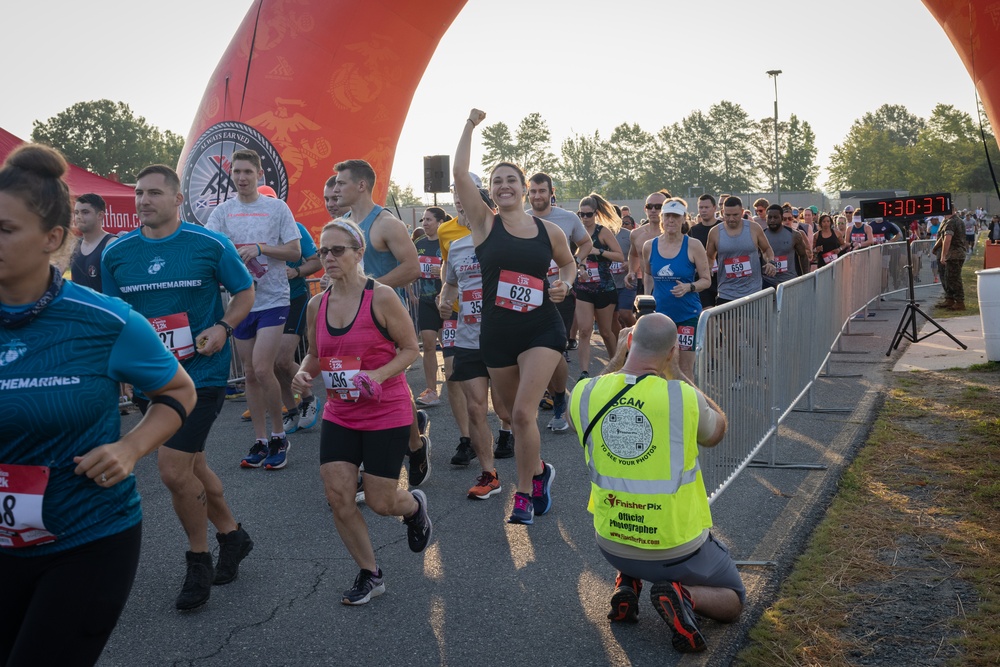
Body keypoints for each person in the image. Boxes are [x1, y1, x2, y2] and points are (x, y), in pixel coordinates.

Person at [0, 144, 196, 665]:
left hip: (86, 541)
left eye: (5, 229)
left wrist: (131, 448)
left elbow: (179, 391)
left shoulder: (106, 320)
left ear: (53, 239)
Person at [102, 163, 256, 610]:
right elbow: (118, 317)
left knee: (172, 470)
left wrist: (224, 327)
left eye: (153, 193)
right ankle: (233, 536)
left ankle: (198, 558)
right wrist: (123, 368)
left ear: (177, 200)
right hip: (154, 378)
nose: (143, 200)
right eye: (138, 193)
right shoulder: (118, 253)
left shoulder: (208, 244)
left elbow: (244, 292)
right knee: (193, 467)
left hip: (201, 377)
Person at [568, 314, 741, 653]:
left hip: (612, 542)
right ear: (672, 351)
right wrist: (679, 373)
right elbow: (718, 430)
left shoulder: (584, 393)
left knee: (632, 551)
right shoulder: (681, 397)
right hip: (675, 548)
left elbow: (593, 398)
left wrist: (616, 361)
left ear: (628, 342)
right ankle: (681, 595)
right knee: (734, 601)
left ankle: (628, 584)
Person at [291, 219, 432, 605]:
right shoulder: (316, 303)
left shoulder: (382, 297)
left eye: (338, 250)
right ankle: (371, 573)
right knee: (338, 495)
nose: (329, 258)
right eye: (323, 251)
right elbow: (316, 356)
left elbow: (410, 348)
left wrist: (378, 374)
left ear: (358, 253)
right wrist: (303, 374)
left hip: (385, 409)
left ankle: (415, 506)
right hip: (340, 412)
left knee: (381, 502)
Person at [455, 109, 576, 525]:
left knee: (525, 413)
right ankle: (541, 471)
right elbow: (457, 173)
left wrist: (565, 283)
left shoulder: (549, 232)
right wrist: (470, 126)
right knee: (507, 414)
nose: (504, 185)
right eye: (496, 181)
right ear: (488, 192)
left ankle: (522, 494)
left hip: (542, 327)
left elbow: (568, 264)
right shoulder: (484, 225)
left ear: (525, 189)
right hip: (498, 332)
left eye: (511, 180)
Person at [331, 159, 430, 487]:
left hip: (387, 320)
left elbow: (412, 267)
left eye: (341, 183)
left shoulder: (386, 223)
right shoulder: (343, 226)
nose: (335, 188)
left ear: (361, 185)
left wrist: (370, 292)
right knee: (353, 385)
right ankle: (360, 466)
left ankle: (415, 446)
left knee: (391, 388)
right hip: (350, 321)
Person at [206, 149, 302, 470]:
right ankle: (261, 440)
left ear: (260, 175)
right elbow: (211, 247)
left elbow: (294, 251)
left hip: (273, 299)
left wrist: (260, 248)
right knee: (249, 373)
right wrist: (229, 253)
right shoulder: (223, 212)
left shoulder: (276, 208)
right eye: (237, 172)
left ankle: (279, 434)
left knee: (263, 369)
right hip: (240, 301)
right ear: (231, 175)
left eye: (248, 172)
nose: (242, 178)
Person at [437, 185, 512, 496]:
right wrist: (445, 299)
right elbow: (451, 284)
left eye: (467, 207)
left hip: (505, 340)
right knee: (476, 408)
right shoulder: (457, 247)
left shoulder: (509, 243)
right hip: (469, 339)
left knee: (511, 412)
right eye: (460, 208)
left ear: (486, 208)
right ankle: (489, 474)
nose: (462, 212)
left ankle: (535, 470)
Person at [526, 172, 592, 432]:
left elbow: (585, 243)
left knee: (554, 348)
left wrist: (572, 265)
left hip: (559, 291)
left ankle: (559, 403)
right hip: (528, 292)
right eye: (533, 191)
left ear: (551, 192)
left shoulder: (568, 218)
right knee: (531, 348)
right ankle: (543, 395)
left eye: (542, 191)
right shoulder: (519, 218)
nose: (537, 196)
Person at [642, 198, 710, 378]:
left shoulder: (693, 245)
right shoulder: (649, 246)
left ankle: (686, 405)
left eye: (676, 216)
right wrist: (645, 300)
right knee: (657, 367)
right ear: (662, 218)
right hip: (660, 316)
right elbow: (648, 275)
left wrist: (689, 287)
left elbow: (706, 280)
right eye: (668, 216)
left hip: (687, 315)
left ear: (683, 219)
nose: (671, 220)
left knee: (684, 369)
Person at [573, 193, 624, 381]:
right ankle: (584, 373)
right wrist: (580, 266)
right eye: (581, 214)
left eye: (588, 214)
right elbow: (572, 257)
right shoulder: (575, 232)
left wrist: (599, 251)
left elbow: (620, 256)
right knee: (584, 330)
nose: (585, 218)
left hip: (604, 288)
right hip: (584, 288)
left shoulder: (602, 232)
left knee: (605, 332)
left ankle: (616, 366)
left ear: (596, 213)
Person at [705, 196, 776, 304]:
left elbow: (766, 249)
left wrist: (770, 262)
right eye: (727, 215)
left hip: (753, 291)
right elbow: (710, 256)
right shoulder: (715, 232)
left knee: (751, 322)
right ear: (722, 212)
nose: (731, 219)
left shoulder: (754, 228)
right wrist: (708, 269)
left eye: (735, 215)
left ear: (742, 212)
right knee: (726, 322)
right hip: (726, 292)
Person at [413, 207, 447, 407]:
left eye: (429, 219)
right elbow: (411, 266)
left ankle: (458, 384)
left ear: (440, 222)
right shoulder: (419, 243)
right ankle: (431, 390)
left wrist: (441, 269)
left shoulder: (447, 241)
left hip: (446, 302)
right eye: (423, 219)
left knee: (449, 347)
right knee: (427, 345)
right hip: (426, 301)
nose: (425, 223)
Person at [69, 193, 113, 290]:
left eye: (85, 212)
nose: (79, 217)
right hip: (78, 304)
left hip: (103, 305)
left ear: (100, 215)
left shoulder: (111, 244)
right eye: (76, 212)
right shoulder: (74, 246)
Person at [687, 194, 721, 308]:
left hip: (722, 278)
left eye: (706, 207)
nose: (703, 210)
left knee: (725, 318)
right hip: (702, 279)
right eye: (701, 207)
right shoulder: (693, 230)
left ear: (714, 208)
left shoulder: (722, 227)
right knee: (708, 316)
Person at [766, 205, 811, 284]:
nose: (772, 220)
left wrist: (806, 276)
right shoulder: (761, 235)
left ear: (781, 218)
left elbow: (803, 255)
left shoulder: (794, 235)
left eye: (776, 217)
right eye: (769, 217)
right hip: (768, 283)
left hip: (789, 282)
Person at [940, 206, 968, 310]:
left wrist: (943, 255)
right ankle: (950, 299)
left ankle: (959, 302)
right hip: (959, 253)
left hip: (954, 254)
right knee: (949, 277)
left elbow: (947, 239)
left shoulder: (950, 222)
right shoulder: (959, 221)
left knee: (953, 279)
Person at [612, 214, 636, 334]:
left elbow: (636, 255)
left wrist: (629, 263)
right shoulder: (599, 234)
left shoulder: (628, 234)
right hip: (609, 283)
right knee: (613, 317)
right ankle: (619, 344)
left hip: (627, 282)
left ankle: (637, 335)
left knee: (625, 313)